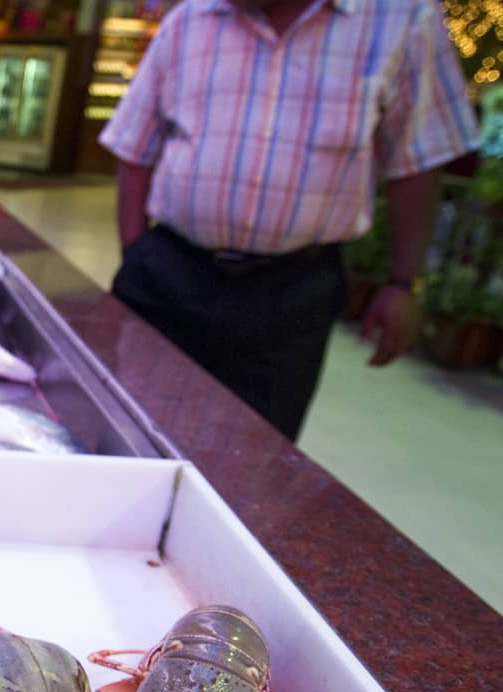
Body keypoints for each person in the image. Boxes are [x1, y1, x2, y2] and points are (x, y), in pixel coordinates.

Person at [101, 0, 479, 440]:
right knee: (126, 424)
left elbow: (417, 164)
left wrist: (403, 283)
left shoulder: (402, 20)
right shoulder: (190, 20)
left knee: (251, 450)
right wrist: (135, 255)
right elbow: (136, 149)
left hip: (291, 291)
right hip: (169, 272)